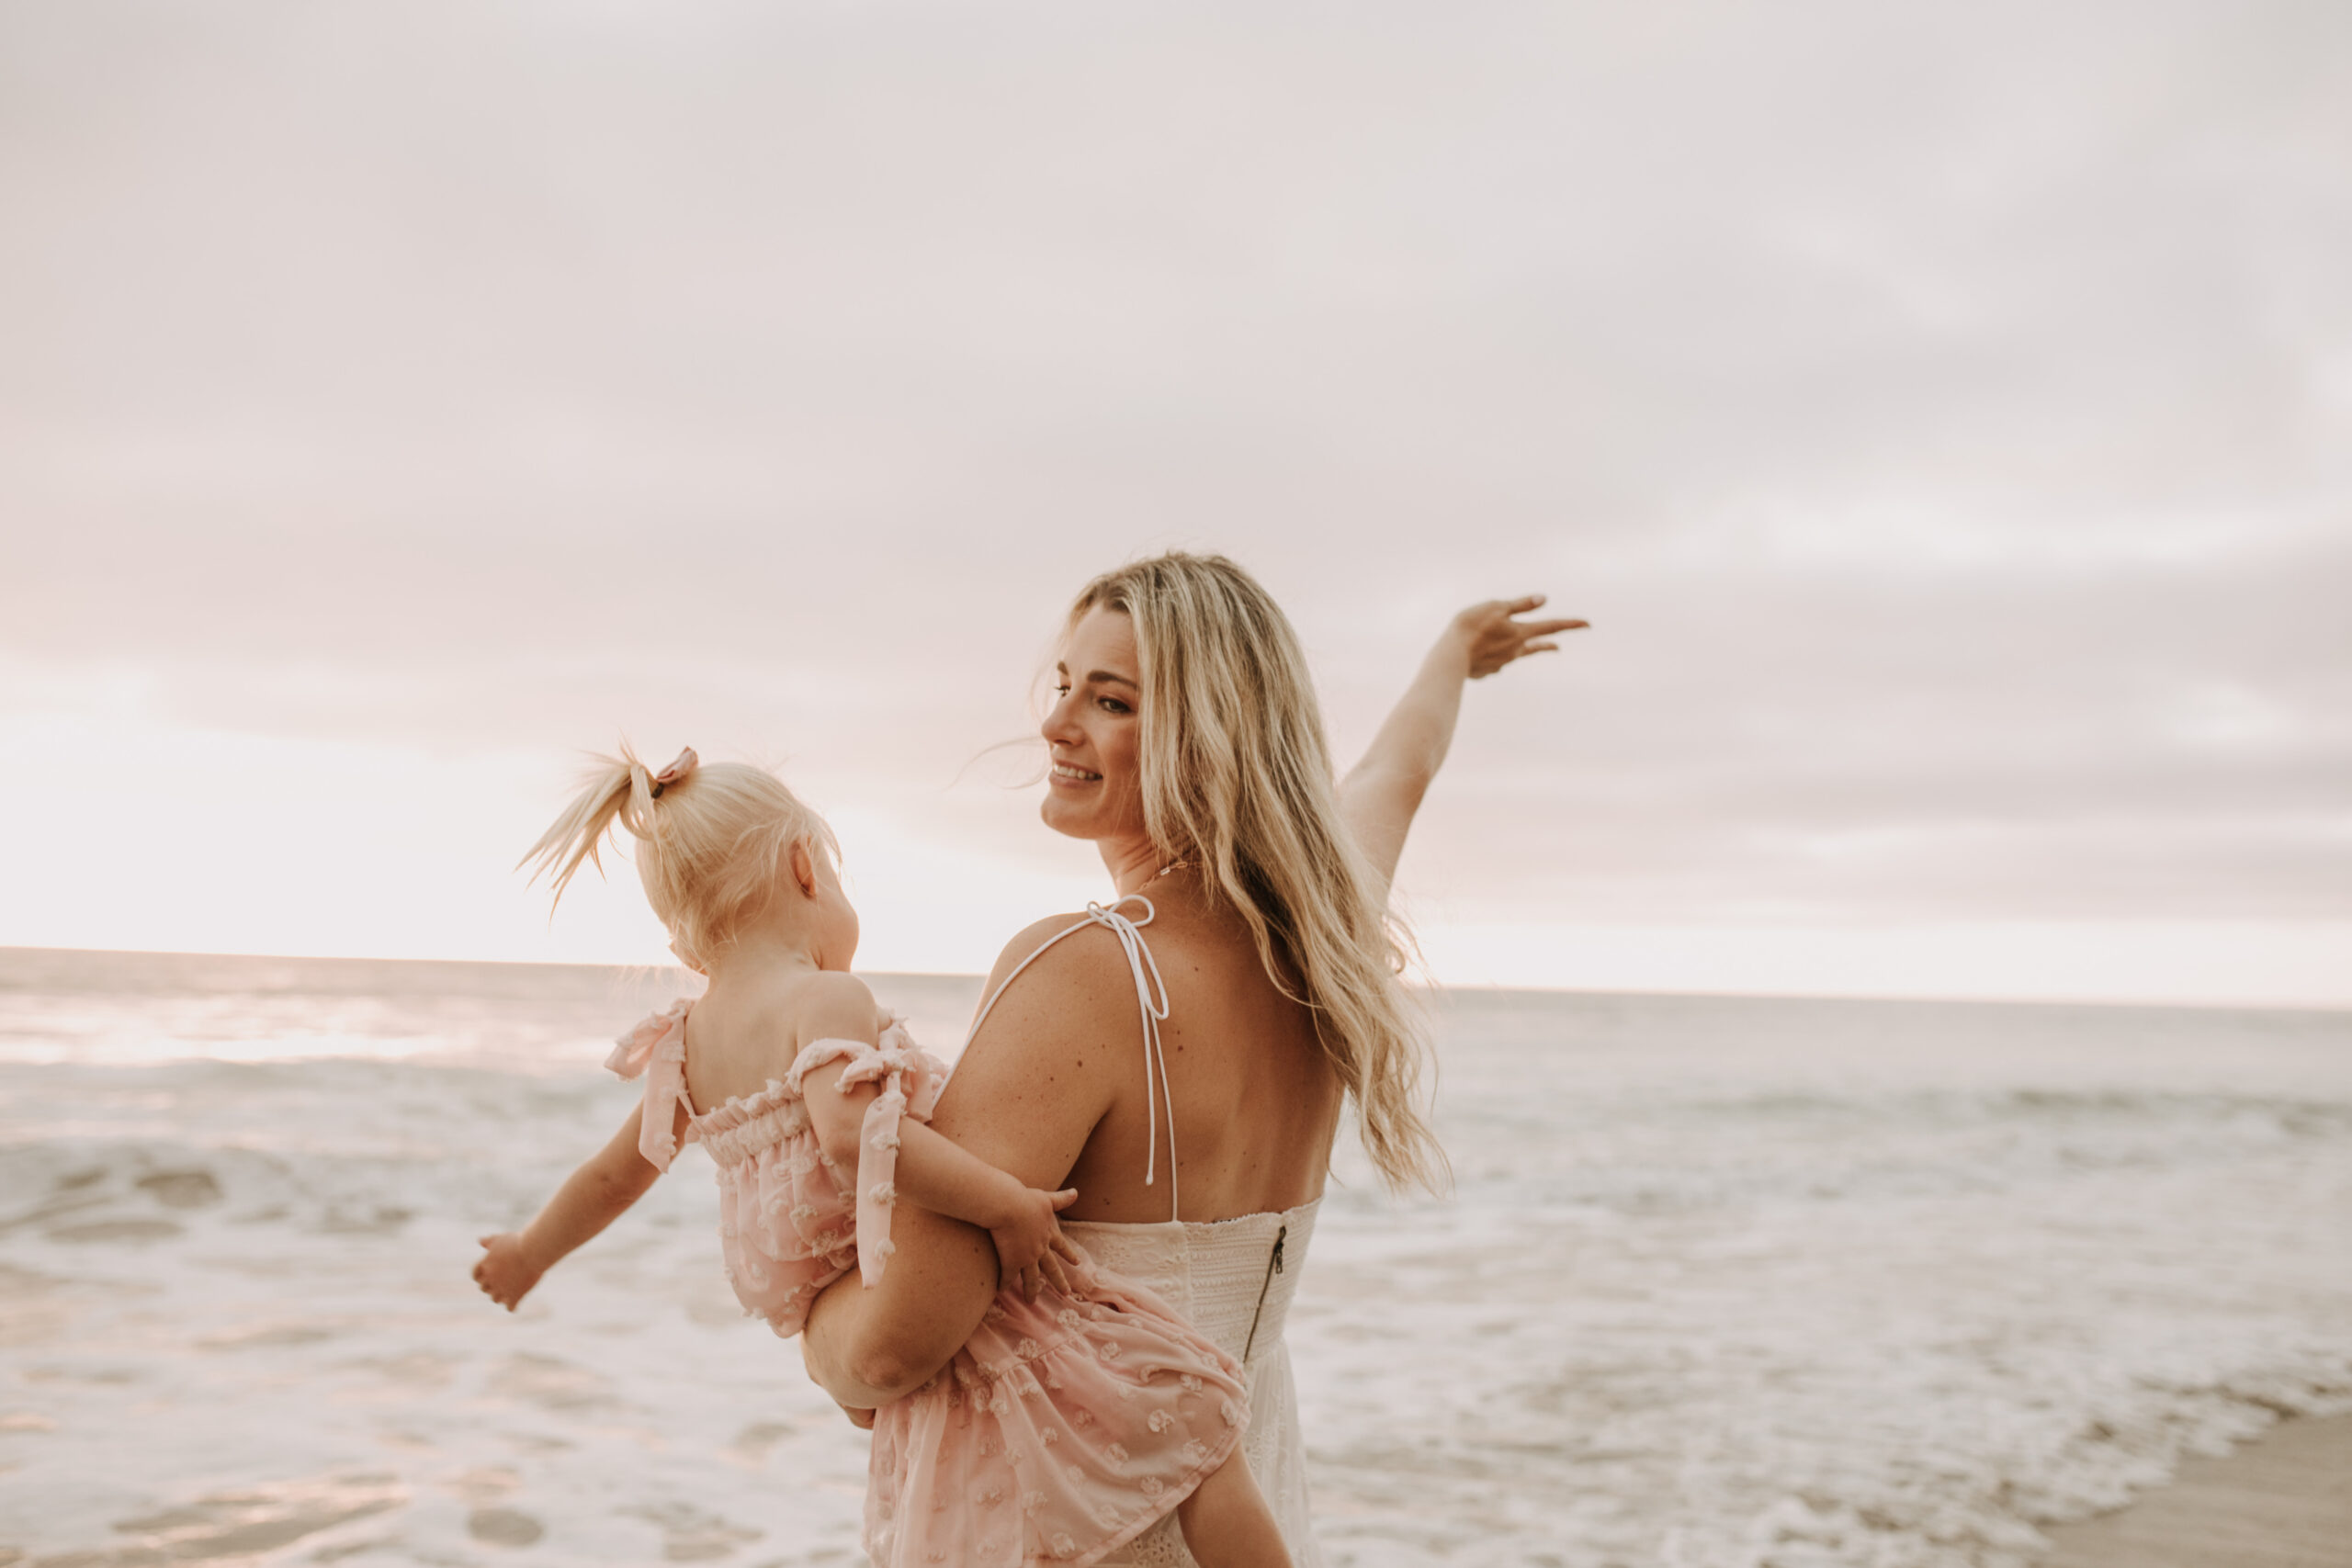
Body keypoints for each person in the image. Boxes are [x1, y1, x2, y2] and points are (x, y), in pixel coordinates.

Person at [798, 554, 1582, 1565]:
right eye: (1064, 686)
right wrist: (1454, 656)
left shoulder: (1083, 970)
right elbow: (1397, 772)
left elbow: (891, 1346)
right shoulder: (1326, 937)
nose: (1056, 723)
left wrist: (806, 1309)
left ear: (1209, 738)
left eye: (1111, 700)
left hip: (1070, 1517)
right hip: (1247, 1494)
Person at [469, 745, 1295, 1567]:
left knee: (1035, 1460)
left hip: (833, 1292)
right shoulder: (826, 997)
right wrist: (1001, 1202)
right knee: (1192, 1409)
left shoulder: (686, 1044)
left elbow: (616, 1175)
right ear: (804, 870)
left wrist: (528, 1252)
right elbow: (853, 1132)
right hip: (903, 1259)